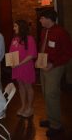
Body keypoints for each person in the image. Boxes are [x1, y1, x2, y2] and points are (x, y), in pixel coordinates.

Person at [37, 9, 72, 137]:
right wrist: (39, 61)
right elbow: (43, 46)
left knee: (52, 94)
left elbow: (68, 53)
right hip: (43, 65)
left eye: (42, 18)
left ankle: (56, 125)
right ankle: (51, 118)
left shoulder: (61, 32)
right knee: (46, 93)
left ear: (48, 19)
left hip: (54, 67)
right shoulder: (44, 31)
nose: (40, 20)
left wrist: (53, 64)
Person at [9, 20, 37, 118]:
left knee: (28, 86)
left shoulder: (30, 39)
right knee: (20, 87)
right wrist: (11, 62)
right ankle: (23, 106)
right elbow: (11, 53)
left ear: (21, 27)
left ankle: (30, 107)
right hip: (16, 67)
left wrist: (19, 63)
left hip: (26, 66)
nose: (14, 28)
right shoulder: (15, 39)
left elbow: (32, 54)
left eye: (15, 26)